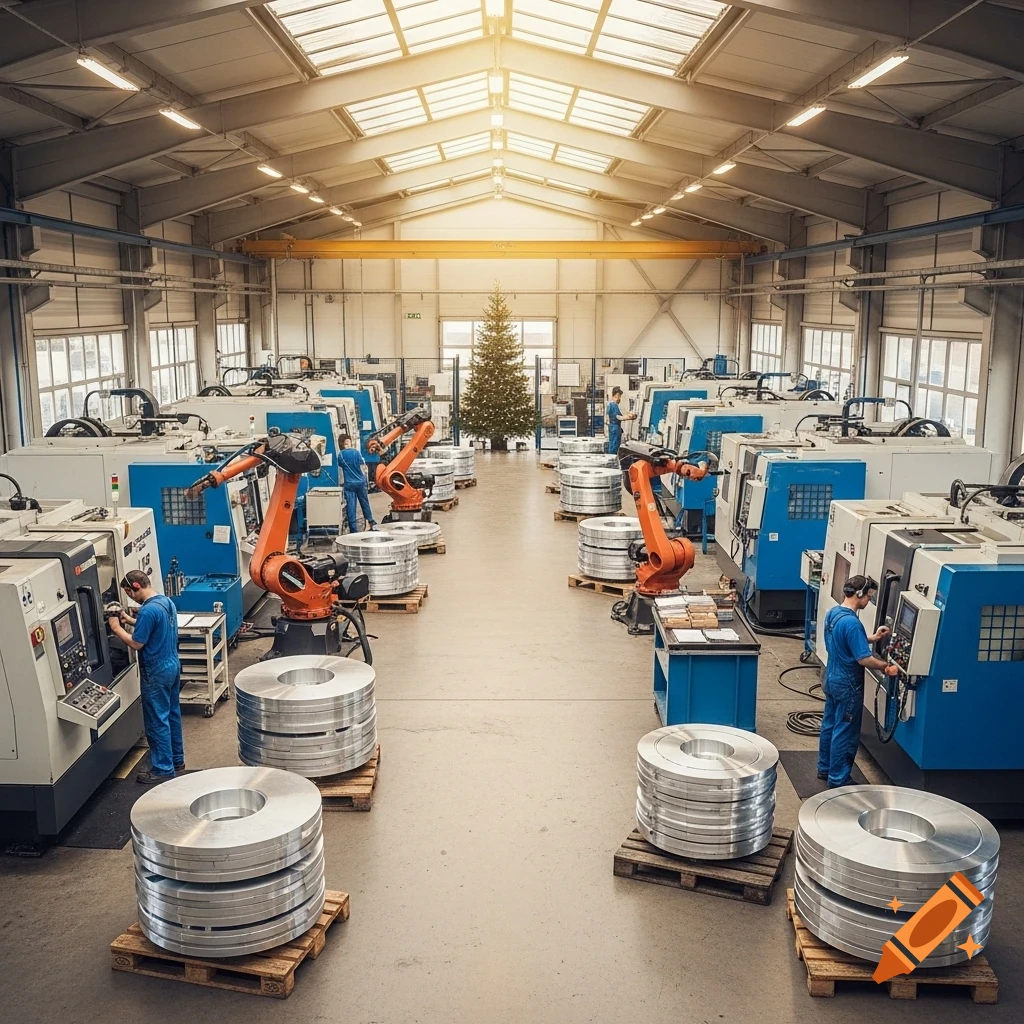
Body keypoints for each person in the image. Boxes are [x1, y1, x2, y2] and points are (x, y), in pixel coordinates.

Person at [816, 575, 899, 788]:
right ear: (860, 594)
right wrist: (884, 666)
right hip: (848, 684)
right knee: (845, 730)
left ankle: (824, 768)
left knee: (830, 724)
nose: (868, 601)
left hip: (831, 678)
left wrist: (872, 638)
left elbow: (841, 640)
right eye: (869, 597)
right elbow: (864, 659)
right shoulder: (852, 623)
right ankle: (838, 778)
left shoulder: (834, 614)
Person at [107, 570, 184, 785]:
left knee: (156, 720)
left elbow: (137, 643)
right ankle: (177, 759)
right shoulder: (165, 602)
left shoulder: (148, 611)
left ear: (136, 586)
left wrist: (115, 628)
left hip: (156, 670)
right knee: (172, 714)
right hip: (172, 665)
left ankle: (162, 768)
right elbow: (154, 627)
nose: (130, 597)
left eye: (129, 592)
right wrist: (129, 619)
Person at [339, 434, 377, 533]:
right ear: (349, 442)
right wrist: (366, 480)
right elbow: (363, 467)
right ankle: (371, 521)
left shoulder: (341, 455)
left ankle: (353, 529)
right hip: (360, 482)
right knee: (364, 502)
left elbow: (341, 466)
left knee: (351, 505)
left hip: (349, 484)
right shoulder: (356, 452)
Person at [606, 386, 637, 455]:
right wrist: (629, 417)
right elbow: (618, 417)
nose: (619, 398)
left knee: (615, 445)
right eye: (618, 396)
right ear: (614, 396)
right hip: (615, 428)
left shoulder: (614, 405)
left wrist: (628, 414)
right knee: (614, 446)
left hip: (615, 428)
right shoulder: (613, 405)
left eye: (620, 396)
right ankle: (612, 460)